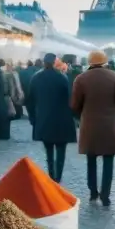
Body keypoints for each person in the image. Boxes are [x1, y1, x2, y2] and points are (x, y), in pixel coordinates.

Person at [71, 50, 115, 206]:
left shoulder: (81, 79)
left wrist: (81, 115)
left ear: (89, 62)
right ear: (105, 62)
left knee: (91, 159)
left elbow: (74, 105)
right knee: (108, 160)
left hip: (89, 125)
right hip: (109, 125)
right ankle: (105, 194)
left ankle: (93, 192)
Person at [25, 53, 77, 182]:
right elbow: (70, 99)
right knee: (61, 152)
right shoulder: (62, 78)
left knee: (48, 151)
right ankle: (57, 178)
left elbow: (30, 101)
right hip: (62, 120)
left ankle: (51, 175)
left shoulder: (36, 78)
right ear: (54, 62)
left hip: (44, 120)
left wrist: (32, 118)